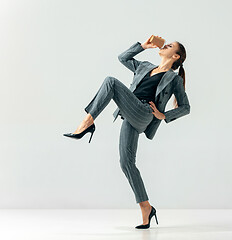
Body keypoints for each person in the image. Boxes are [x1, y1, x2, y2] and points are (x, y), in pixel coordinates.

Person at [63, 35, 191, 229]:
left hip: (145, 112)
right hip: (129, 112)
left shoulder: (173, 79)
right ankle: (146, 207)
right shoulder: (145, 66)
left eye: (170, 46)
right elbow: (123, 58)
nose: (165, 45)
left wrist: (163, 115)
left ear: (176, 56)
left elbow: (186, 107)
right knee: (126, 163)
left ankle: (87, 122)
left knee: (111, 82)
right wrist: (144, 46)